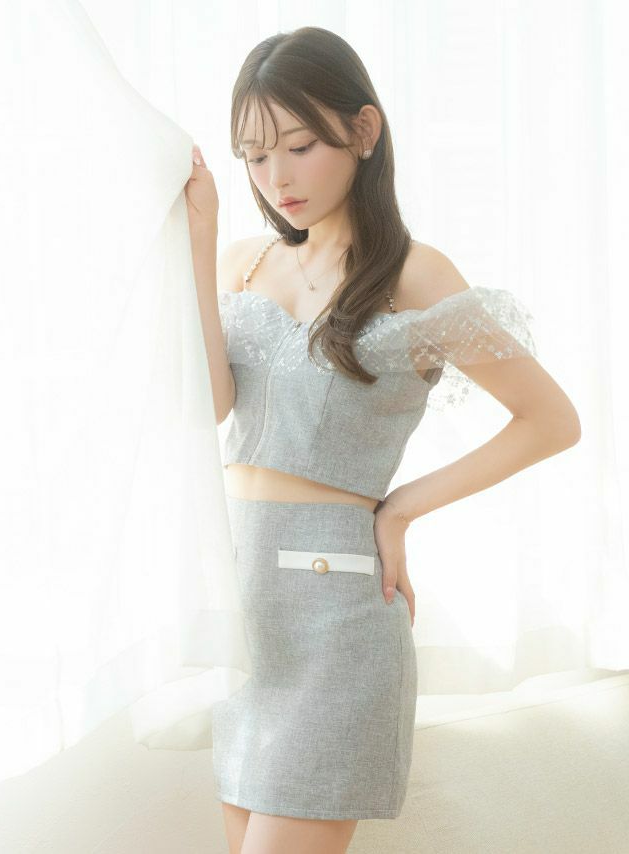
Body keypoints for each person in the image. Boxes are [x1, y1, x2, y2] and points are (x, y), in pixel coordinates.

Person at [185, 25, 581, 854]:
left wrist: (399, 509)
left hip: (338, 615)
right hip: (245, 613)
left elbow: (551, 420)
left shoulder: (414, 274)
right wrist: (200, 235)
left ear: (362, 131)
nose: (277, 177)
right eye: (255, 156)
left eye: (299, 146)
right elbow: (213, 405)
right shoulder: (243, 264)